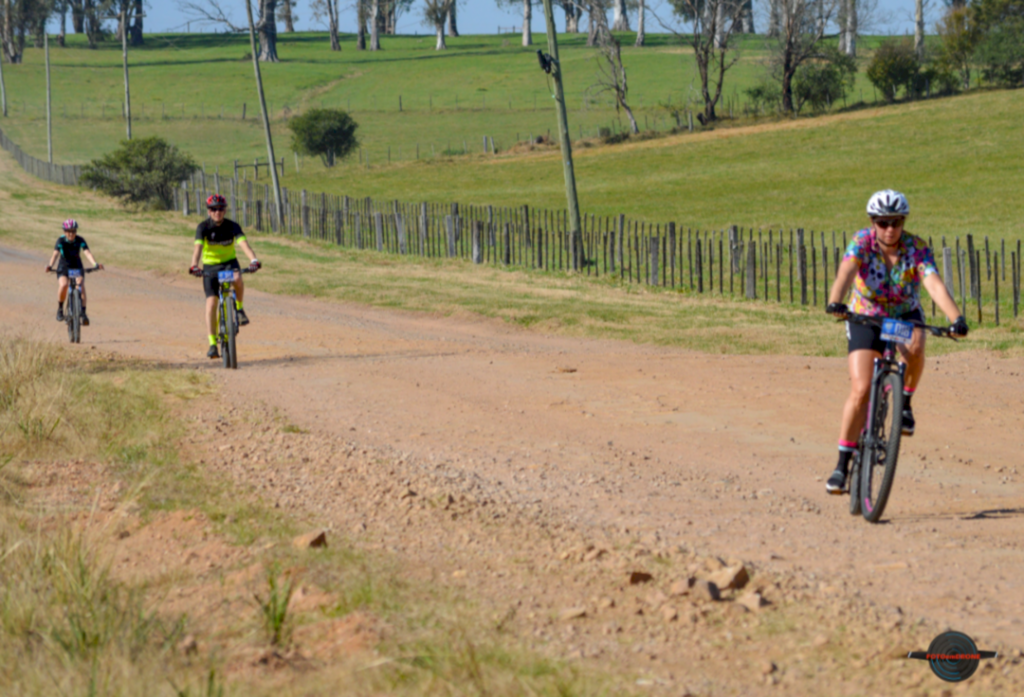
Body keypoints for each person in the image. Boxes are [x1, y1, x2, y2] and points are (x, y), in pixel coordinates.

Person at [823, 190, 968, 494]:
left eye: (897, 222)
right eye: (883, 222)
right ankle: (842, 464)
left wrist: (956, 318)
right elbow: (847, 270)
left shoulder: (917, 248)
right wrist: (836, 301)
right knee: (861, 389)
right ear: (872, 222)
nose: (890, 228)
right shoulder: (862, 241)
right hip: (866, 316)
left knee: (916, 346)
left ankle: (905, 403)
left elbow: (933, 284)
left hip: (903, 314)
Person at [189, 194, 261, 359]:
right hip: (210, 267)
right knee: (211, 302)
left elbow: (244, 245)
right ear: (208, 211)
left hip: (229, 263)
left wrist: (253, 260)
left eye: (220, 209)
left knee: (237, 278)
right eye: (213, 209)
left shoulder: (232, 226)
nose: (217, 212)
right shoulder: (203, 227)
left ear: (225, 210)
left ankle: (240, 308)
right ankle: (212, 344)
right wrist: (194, 265)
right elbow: (197, 249)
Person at [46, 219, 102, 325]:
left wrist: (95, 264)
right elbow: (55, 255)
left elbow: (87, 253)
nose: (71, 234)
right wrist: (50, 266)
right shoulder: (60, 241)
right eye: (68, 231)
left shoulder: (80, 240)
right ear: (64, 232)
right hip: (64, 267)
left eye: (73, 231)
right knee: (64, 285)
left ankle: (83, 313)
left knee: (80, 285)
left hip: (76, 267)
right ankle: (60, 309)